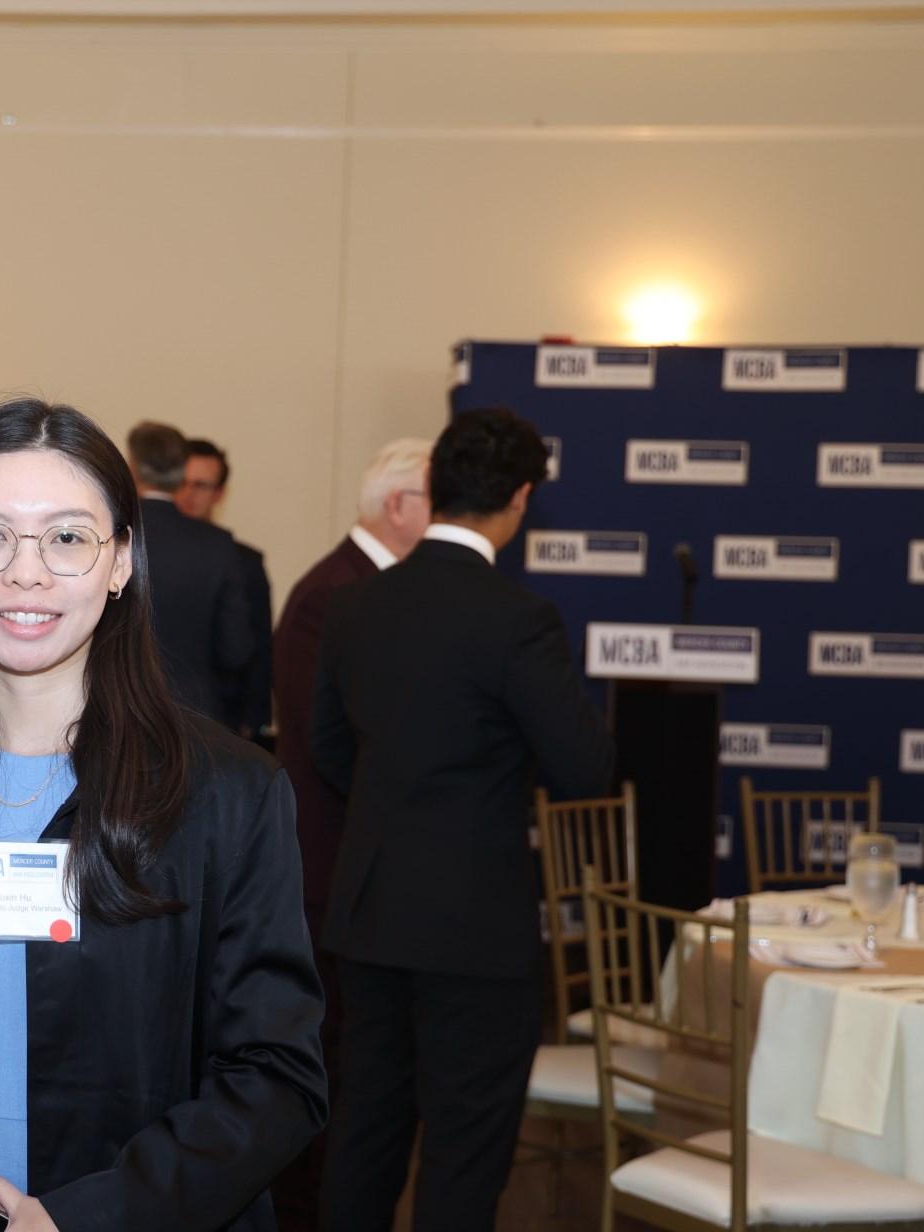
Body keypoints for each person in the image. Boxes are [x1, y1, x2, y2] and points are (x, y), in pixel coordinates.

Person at [0, 398, 327, 1232]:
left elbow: (277, 1077)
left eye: (67, 537)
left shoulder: (229, 793)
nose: (27, 573)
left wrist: (93, 1216)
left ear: (120, 561)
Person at [310, 408, 614, 1232]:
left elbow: (327, 748)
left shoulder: (355, 606)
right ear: (519, 499)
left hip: (371, 914)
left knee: (365, 1135)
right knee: (464, 1152)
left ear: (436, 486)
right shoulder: (518, 619)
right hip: (475, 927)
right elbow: (585, 768)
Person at [265, 435, 429, 1231]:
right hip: (328, 869)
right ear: (398, 507)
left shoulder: (371, 589)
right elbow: (334, 745)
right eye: (436, 500)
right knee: (322, 1060)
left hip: (358, 874)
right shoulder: (333, 594)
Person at [125, 421, 252, 729]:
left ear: (133, 468)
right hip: (197, 717)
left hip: (122, 707)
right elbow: (236, 650)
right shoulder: (218, 544)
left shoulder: (115, 536)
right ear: (182, 473)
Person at [176, 438, 273, 742]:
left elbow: (259, 647)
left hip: (220, 720)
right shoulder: (141, 550)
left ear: (219, 494)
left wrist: (253, 721)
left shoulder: (245, 562)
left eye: (201, 486)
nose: (189, 494)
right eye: (182, 482)